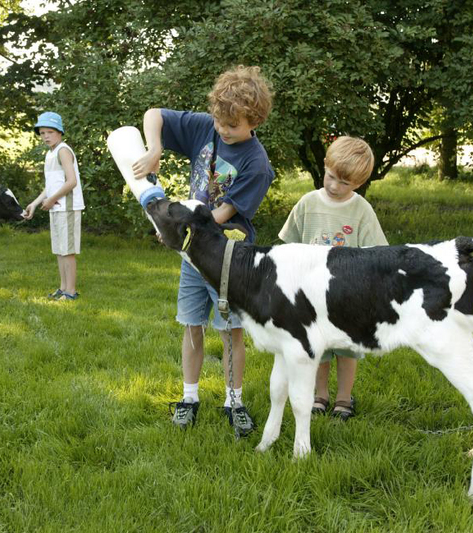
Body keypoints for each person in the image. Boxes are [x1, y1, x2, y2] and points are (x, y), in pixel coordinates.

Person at [132, 65, 274, 435]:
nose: (223, 130)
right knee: (191, 324)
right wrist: (155, 149)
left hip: (227, 257)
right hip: (191, 254)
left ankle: (234, 401)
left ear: (254, 120)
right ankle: (189, 397)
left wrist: (172, 222)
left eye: (232, 126)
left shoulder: (257, 165)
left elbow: (220, 215)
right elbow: (154, 115)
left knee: (231, 330)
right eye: (220, 122)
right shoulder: (207, 127)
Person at [278, 136, 388, 421]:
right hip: (312, 296)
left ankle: (343, 398)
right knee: (319, 349)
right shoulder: (307, 203)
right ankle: (320, 394)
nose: (335, 186)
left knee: (347, 349)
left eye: (345, 183)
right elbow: (288, 247)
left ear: (359, 184)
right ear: (324, 166)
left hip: (348, 296)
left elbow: (377, 253)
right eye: (331, 177)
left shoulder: (361, 210)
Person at [23, 111, 85, 301]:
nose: (46, 136)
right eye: (42, 133)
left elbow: (71, 181)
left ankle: (71, 292)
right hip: (56, 207)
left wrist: (51, 200)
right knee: (59, 250)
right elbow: (50, 187)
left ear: (59, 132)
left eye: (50, 132)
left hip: (67, 207)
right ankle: (63, 288)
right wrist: (34, 203)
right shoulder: (50, 154)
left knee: (68, 251)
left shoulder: (63, 151)